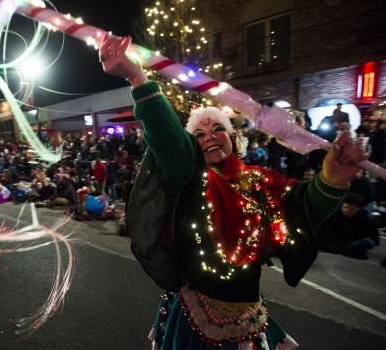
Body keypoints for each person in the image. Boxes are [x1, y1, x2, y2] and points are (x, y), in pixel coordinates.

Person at [99, 35, 369, 350]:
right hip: (197, 318)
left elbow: (301, 206)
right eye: (198, 134)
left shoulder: (261, 180)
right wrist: (136, 77)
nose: (209, 137)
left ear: (233, 137)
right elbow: (170, 141)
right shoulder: (190, 176)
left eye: (217, 130)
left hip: (248, 314)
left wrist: (332, 179)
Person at [320, 193, 379, 259]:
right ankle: (345, 250)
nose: (347, 210)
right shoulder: (335, 216)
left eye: (352, 209)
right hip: (336, 240)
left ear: (358, 209)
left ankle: (340, 249)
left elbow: (375, 240)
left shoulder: (366, 220)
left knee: (368, 242)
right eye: (345, 207)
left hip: (352, 243)